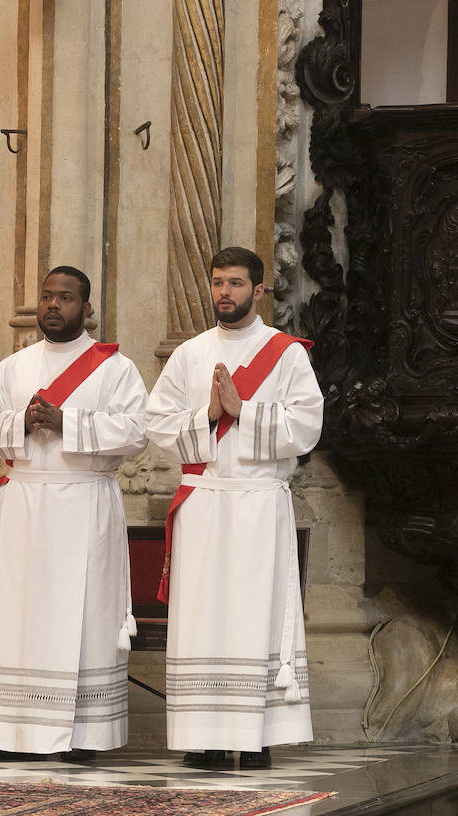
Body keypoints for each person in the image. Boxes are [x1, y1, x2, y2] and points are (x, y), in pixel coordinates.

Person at [144, 246, 322, 770]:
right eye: (218, 282)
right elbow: (155, 423)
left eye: (236, 283)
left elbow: (307, 426)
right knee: (202, 616)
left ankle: (255, 734)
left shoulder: (286, 354)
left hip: (258, 503)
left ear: (259, 291)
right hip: (205, 504)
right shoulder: (190, 354)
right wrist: (207, 414)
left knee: (254, 614)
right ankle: (204, 737)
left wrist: (244, 411)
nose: (225, 292)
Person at [0, 266, 147, 762]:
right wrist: (20, 421)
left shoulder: (115, 369)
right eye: (46, 296)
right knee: (19, 613)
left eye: (65, 298)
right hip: (24, 504)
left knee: (82, 611)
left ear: (86, 308)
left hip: (84, 504)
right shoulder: (15, 366)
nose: (52, 305)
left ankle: (82, 733)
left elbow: (136, 432)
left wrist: (69, 422)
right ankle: (12, 729)